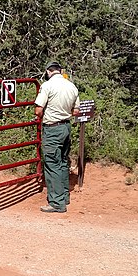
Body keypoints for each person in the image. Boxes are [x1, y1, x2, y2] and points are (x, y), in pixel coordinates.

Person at [34, 61, 80, 213]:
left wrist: (48, 113)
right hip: (66, 127)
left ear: (48, 71)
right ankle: (64, 196)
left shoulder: (47, 86)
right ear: (60, 71)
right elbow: (76, 111)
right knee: (62, 162)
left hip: (52, 128)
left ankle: (56, 202)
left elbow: (38, 110)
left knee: (52, 164)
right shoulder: (71, 86)